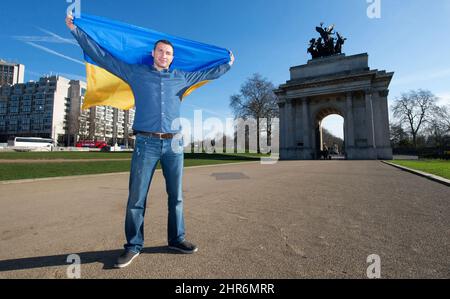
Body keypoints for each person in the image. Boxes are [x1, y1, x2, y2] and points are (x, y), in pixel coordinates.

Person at [66, 15, 234, 268]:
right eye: (160, 51)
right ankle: (133, 246)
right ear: (153, 53)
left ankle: (176, 239)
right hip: (146, 143)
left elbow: (208, 71)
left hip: (175, 145)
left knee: (176, 196)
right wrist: (76, 31)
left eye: (168, 53)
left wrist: (228, 63)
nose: (164, 55)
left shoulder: (182, 77)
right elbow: (103, 57)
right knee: (136, 198)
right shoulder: (136, 73)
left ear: (172, 57)